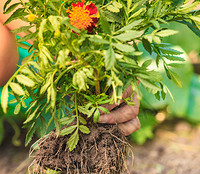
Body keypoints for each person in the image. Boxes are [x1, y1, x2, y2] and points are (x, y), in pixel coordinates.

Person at [0, 0, 140, 136]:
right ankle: (68, 102)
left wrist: (121, 60)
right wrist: (61, 47)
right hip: (36, 46)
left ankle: (83, 114)